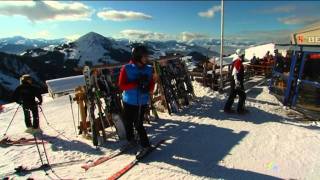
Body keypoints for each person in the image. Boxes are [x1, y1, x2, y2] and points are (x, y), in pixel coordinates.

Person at [118, 45, 155, 157]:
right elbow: (121, 85)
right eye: (144, 56)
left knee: (138, 124)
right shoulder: (127, 68)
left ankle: (145, 145)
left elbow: (152, 87)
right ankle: (131, 140)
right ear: (138, 56)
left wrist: (147, 85)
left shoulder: (149, 69)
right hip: (128, 100)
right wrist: (136, 83)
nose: (147, 58)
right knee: (127, 121)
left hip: (141, 102)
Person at [224, 49, 248, 114]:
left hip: (235, 82)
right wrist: (237, 82)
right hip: (237, 82)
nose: (244, 56)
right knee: (242, 95)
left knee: (233, 95)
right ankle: (240, 110)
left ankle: (227, 108)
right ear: (242, 55)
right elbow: (234, 73)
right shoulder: (238, 62)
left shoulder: (237, 61)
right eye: (243, 55)